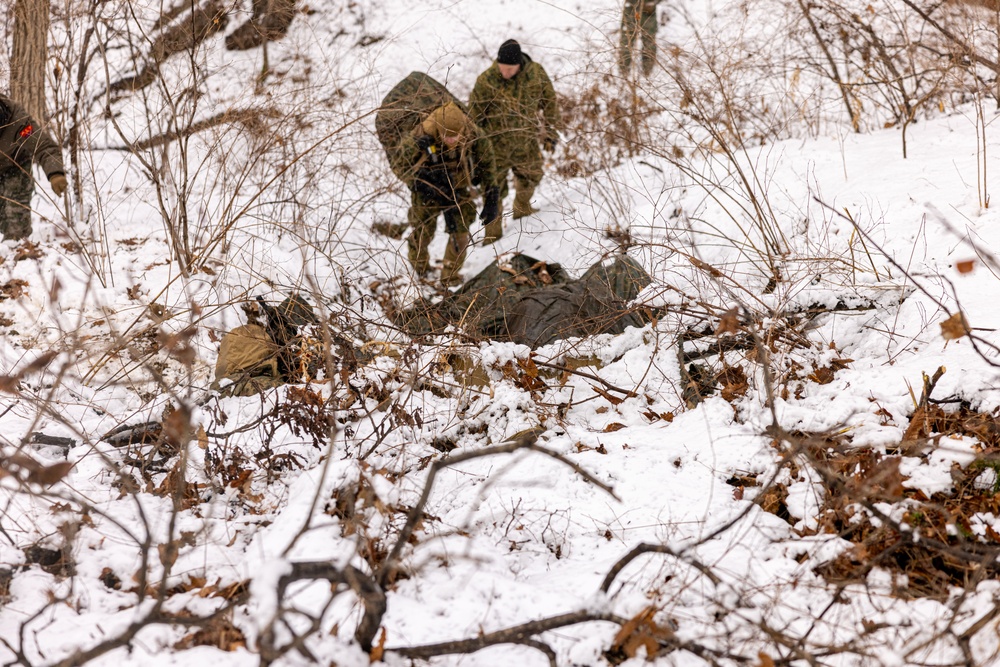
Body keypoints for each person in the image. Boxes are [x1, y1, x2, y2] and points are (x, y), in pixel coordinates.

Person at [391, 101, 500, 285]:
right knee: (422, 232)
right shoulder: (421, 134)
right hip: (426, 190)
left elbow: (488, 163)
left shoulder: (473, 134)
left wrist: (492, 195)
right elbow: (398, 165)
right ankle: (420, 270)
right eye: (446, 137)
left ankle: (450, 278)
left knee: (461, 233)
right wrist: (419, 183)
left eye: (455, 137)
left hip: (456, 189)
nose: (451, 141)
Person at [468, 39, 561, 243]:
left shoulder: (536, 74)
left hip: (525, 143)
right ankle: (492, 236)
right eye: (502, 68)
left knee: (532, 175)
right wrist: (473, 150)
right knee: (493, 193)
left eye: (510, 69)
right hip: (494, 148)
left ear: (519, 64)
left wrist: (551, 133)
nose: (505, 73)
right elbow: (473, 118)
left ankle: (521, 209)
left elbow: (550, 103)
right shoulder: (486, 81)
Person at [0, 94, 66, 241]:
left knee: (15, 225)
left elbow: (42, 145)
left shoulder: (18, 122)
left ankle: (18, 250)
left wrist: (55, 173)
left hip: (15, 166)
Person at [619, 0, 662, 77]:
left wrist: (653, 2)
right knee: (626, 42)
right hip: (631, 9)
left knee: (649, 43)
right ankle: (623, 74)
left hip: (648, 11)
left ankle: (648, 74)